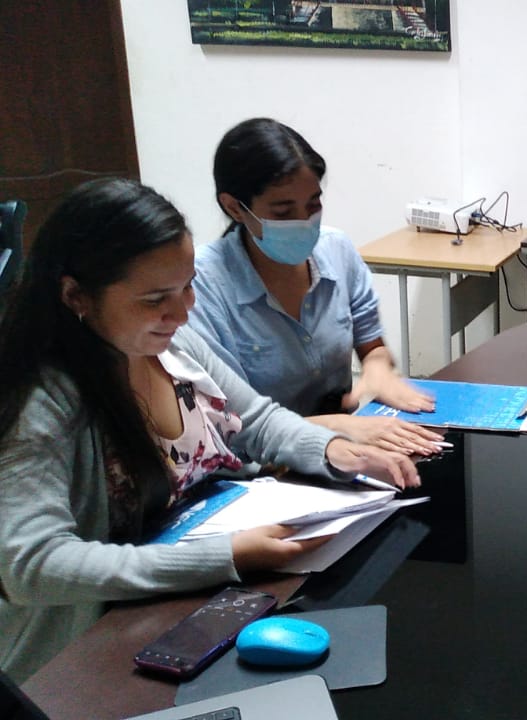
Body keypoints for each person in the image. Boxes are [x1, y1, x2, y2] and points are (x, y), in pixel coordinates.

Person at [0, 178, 419, 683]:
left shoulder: (174, 347)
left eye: (187, 286)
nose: (183, 312)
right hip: (86, 655)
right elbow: (32, 564)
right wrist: (223, 557)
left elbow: (256, 419)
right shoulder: (41, 398)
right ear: (76, 296)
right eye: (155, 299)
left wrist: (334, 451)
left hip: (186, 607)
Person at [187, 117, 443, 457]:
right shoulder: (201, 285)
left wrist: (378, 369)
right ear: (235, 207)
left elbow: (372, 345)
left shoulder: (337, 250)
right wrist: (339, 427)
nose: (304, 221)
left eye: (313, 204)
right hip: (261, 466)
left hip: (345, 452)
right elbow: (231, 423)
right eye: (283, 211)